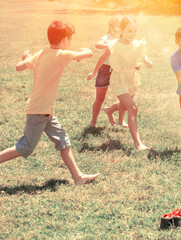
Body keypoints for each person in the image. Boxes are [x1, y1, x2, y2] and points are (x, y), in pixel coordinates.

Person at [0, 20, 100, 185]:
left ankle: (78, 177)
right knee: (26, 147)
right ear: (63, 40)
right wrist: (80, 51)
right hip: (40, 111)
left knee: (63, 140)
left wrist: (27, 58)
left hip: (44, 110)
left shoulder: (41, 53)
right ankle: (78, 177)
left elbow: (19, 67)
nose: (71, 43)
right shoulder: (61, 55)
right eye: (70, 39)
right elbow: (89, 53)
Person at [87, 15, 152, 151]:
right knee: (132, 108)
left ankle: (110, 110)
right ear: (121, 30)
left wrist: (146, 61)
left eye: (134, 31)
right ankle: (138, 143)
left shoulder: (137, 44)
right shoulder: (114, 44)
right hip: (118, 80)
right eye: (129, 31)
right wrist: (94, 72)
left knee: (124, 105)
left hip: (132, 79)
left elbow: (142, 54)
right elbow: (103, 57)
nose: (132, 34)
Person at [89, 14, 127, 128]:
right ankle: (93, 122)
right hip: (105, 69)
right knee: (100, 98)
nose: (117, 29)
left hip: (118, 70)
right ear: (110, 27)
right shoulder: (108, 37)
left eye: (120, 27)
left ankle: (119, 118)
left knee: (123, 97)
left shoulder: (123, 39)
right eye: (114, 26)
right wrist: (108, 43)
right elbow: (98, 45)